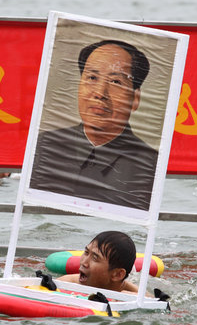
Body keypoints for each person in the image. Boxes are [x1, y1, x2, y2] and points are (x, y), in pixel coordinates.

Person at [30, 40, 159, 211]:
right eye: (92, 78)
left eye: (115, 82)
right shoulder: (44, 145)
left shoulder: (150, 165)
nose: (99, 93)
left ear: (135, 99)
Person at [58, 231, 139, 293]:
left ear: (117, 274)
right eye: (86, 252)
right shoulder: (65, 284)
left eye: (95, 258)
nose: (84, 263)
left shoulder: (134, 295)